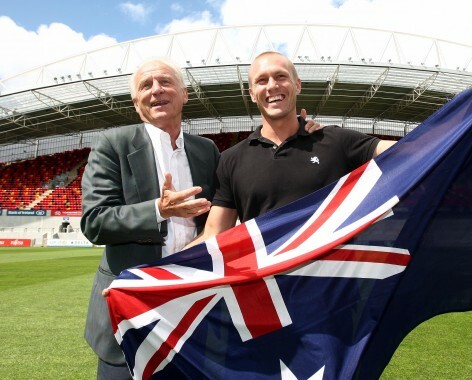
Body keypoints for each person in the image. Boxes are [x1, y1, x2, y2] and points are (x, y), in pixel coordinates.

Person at [81, 56, 322, 379]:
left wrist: (301, 133)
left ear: (184, 94)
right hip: (131, 311)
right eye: (146, 86)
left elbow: (245, 175)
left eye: (165, 82)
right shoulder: (114, 145)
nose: (156, 90)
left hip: (194, 310)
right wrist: (158, 210)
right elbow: (95, 221)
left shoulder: (206, 150)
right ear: (136, 101)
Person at [186, 51, 397, 245]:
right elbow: (214, 234)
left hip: (336, 280)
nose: (272, 86)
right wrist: (156, 274)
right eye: (262, 80)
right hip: (271, 283)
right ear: (251, 93)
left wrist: (431, 134)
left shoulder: (337, 140)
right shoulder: (231, 159)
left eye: (280, 76)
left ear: (297, 85)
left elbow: (409, 151)